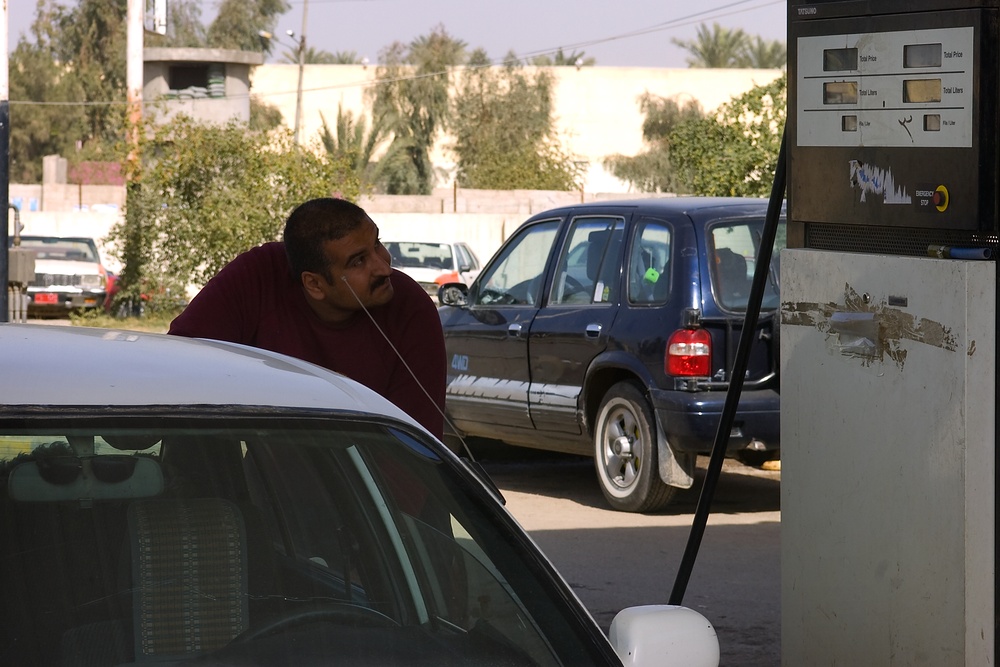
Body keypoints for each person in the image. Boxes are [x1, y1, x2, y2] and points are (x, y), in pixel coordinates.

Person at [168, 198, 446, 439]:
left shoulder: (410, 307)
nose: (384, 267)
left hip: (367, 481)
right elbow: (178, 368)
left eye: (377, 244)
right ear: (314, 285)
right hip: (259, 471)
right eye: (358, 261)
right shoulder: (259, 276)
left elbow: (415, 444)